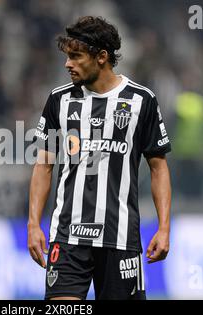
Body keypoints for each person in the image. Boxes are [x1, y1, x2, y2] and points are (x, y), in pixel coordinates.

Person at [28, 16, 172, 300]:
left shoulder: (142, 101)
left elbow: (159, 169)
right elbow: (44, 166)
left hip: (119, 239)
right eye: (67, 56)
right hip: (67, 238)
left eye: (75, 56)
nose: (67, 64)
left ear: (102, 57)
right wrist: (33, 224)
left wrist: (164, 228)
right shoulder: (59, 100)